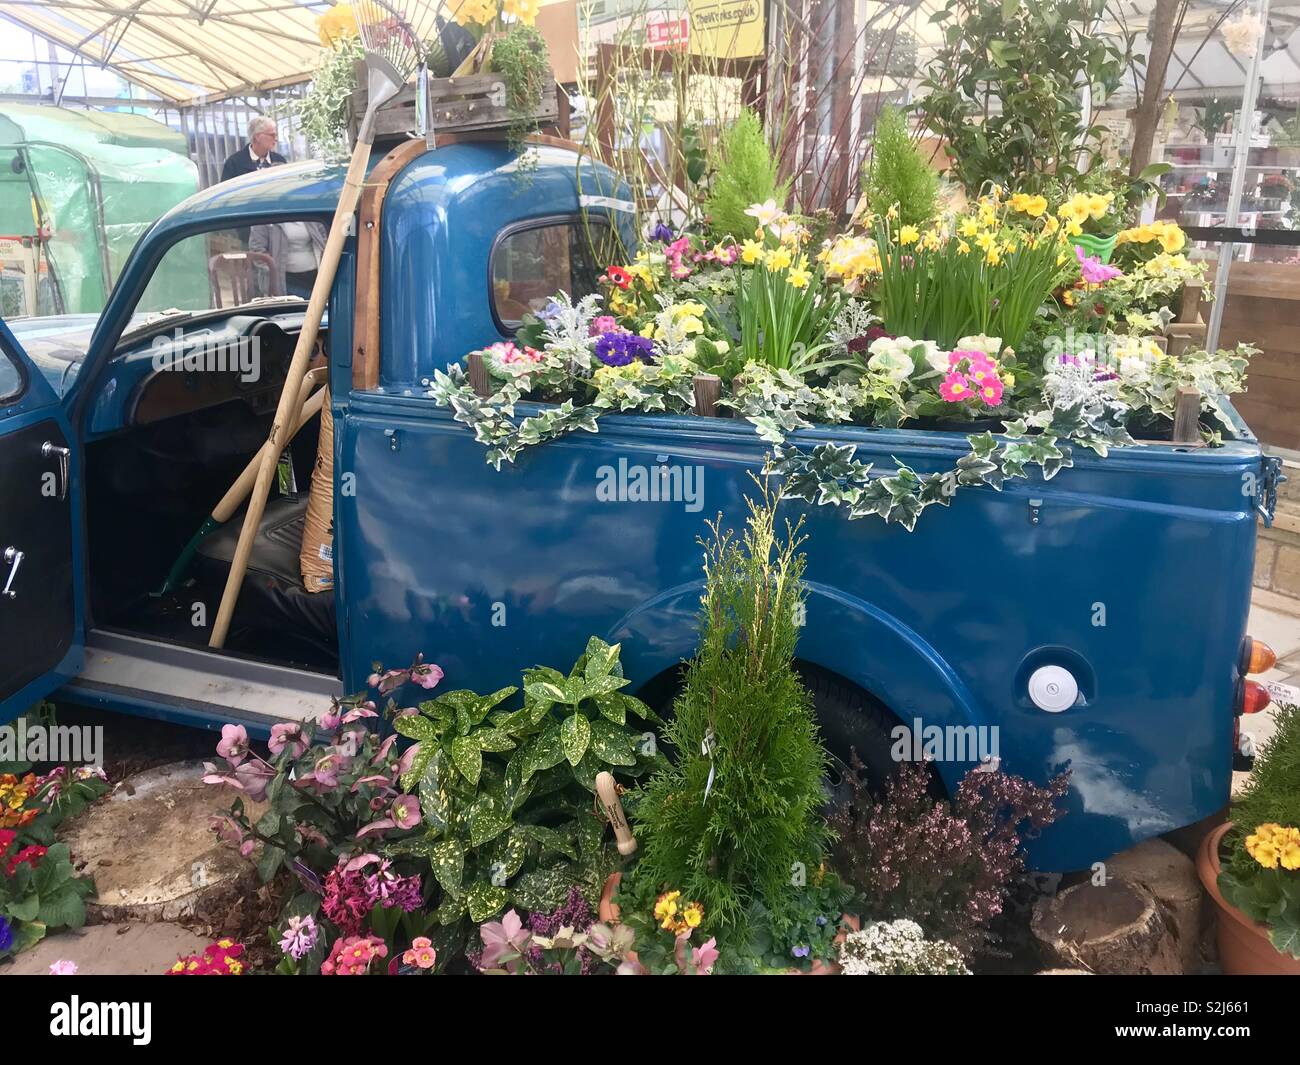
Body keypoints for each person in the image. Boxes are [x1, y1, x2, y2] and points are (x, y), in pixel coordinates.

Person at [249, 220, 327, 299]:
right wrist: (273, 271)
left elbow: (324, 240)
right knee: (312, 301)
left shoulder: (309, 212)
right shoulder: (265, 218)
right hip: (285, 281)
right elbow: (257, 250)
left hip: (317, 276)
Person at [220, 116, 286, 182]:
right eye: (272, 135)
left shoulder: (280, 161)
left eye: (276, 135)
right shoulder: (234, 163)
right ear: (257, 137)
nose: (276, 139)